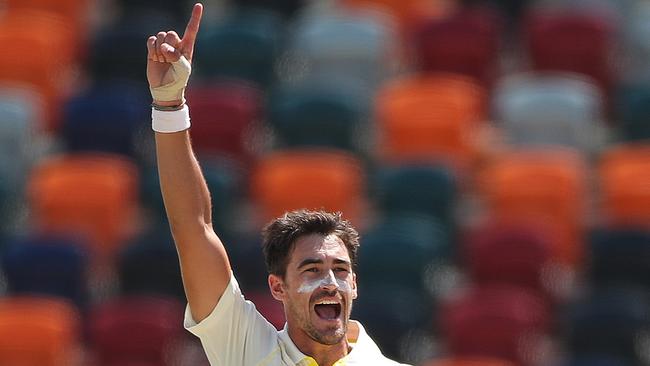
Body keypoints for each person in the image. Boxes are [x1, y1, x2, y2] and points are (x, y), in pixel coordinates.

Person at [146, 3, 411, 365]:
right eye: (312, 269)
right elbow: (193, 228)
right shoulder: (246, 350)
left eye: (340, 269)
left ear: (354, 285)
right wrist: (169, 104)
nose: (330, 282)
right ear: (278, 287)